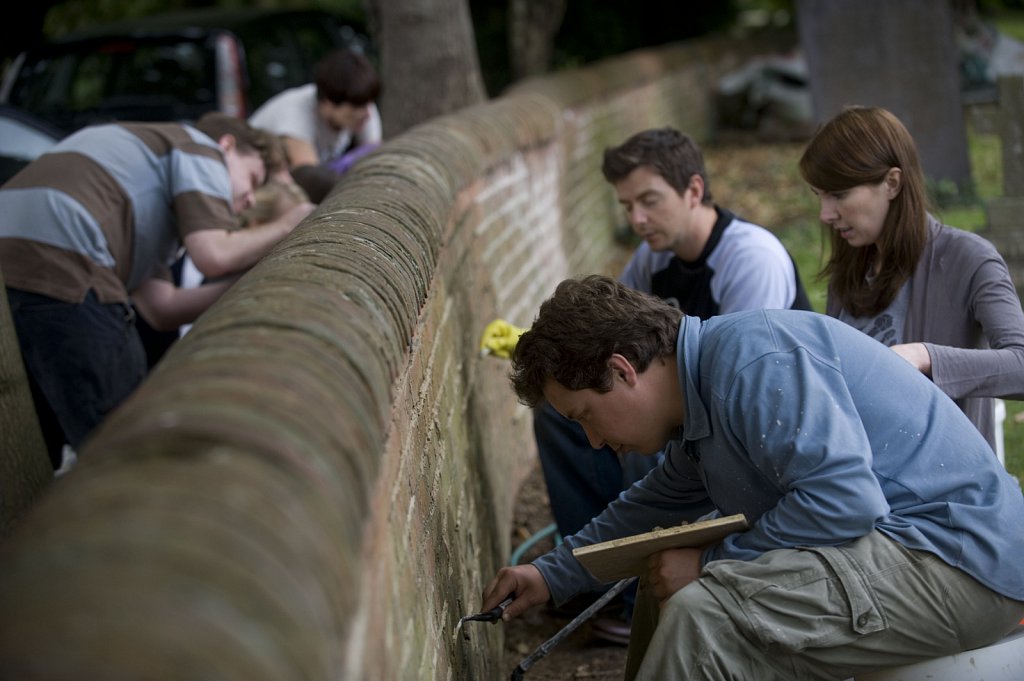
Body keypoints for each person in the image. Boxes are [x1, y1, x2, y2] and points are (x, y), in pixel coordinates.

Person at [482, 274, 1024, 681]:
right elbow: (652, 505)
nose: (594, 442)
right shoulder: (702, 391)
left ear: (623, 371)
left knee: (703, 614)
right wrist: (553, 574)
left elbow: (845, 501)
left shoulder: (749, 363)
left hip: (960, 561)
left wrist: (709, 563)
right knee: (664, 574)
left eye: (584, 418)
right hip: (907, 550)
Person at [533, 127, 811, 642]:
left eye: (649, 201)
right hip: (695, 409)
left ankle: (644, 589)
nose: (637, 219)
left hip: (754, 432)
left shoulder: (751, 258)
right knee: (562, 415)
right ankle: (592, 582)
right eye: (626, 205)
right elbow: (612, 343)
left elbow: (753, 376)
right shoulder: (654, 258)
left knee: (648, 431)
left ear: (694, 191)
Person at [0, 112, 313, 468]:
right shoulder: (199, 148)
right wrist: (290, 224)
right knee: (124, 433)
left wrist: (249, 280)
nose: (250, 201)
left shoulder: (147, 204)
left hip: (17, 266)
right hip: (63, 263)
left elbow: (163, 308)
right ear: (227, 146)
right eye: (253, 179)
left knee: (40, 443)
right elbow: (214, 255)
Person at [799, 105, 1024, 451]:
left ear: (892, 183)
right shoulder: (850, 270)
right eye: (820, 196)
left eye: (839, 194)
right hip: (862, 486)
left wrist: (926, 357)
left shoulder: (969, 258)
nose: (826, 214)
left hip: (948, 494)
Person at [249, 48, 382, 202]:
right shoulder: (295, 116)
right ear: (327, 104)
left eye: (368, 104)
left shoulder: (361, 105)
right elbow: (313, 183)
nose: (367, 115)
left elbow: (374, 156)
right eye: (354, 109)